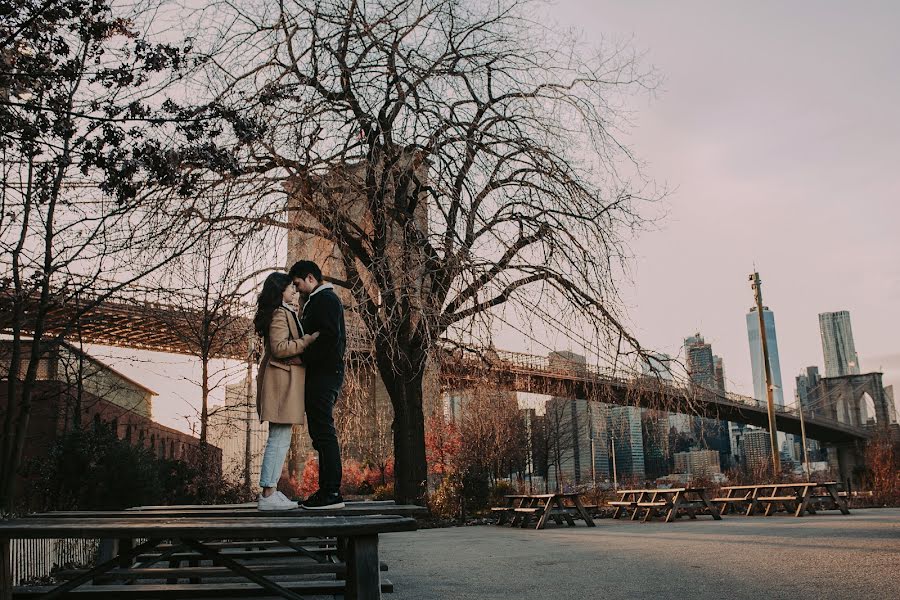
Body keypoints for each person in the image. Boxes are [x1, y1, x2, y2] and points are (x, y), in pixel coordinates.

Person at [253, 272, 319, 510]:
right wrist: (307, 342)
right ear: (280, 291)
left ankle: (271, 490)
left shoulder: (284, 311)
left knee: (281, 438)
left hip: (283, 381)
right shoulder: (280, 313)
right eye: (290, 287)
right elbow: (280, 348)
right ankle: (268, 494)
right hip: (281, 383)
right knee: (278, 439)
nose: (294, 290)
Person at [289, 260, 347, 510]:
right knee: (321, 434)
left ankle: (331, 493)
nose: (297, 289)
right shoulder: (318, 300)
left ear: (310, 278)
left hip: (324, 375)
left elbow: (329, 339)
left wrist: (302, 356)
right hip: (323, 374)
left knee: (324, 434)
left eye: (298, 283)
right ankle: (327, 491)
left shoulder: (325, 300)